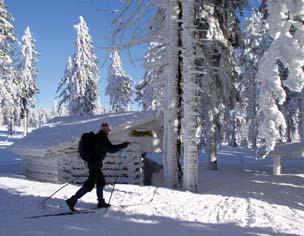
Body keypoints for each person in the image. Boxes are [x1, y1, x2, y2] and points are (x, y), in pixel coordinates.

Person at [66, 122, 130, 211]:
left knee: (101, 182)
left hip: (95, 163)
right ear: (106, 129)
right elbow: (111, 149)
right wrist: (123, 145)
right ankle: (72, 200)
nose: (109, 131)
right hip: (94, 163)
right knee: (90, 184)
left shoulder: (98, 137)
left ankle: (101, 202)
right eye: (109, 130)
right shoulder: (101, 138)